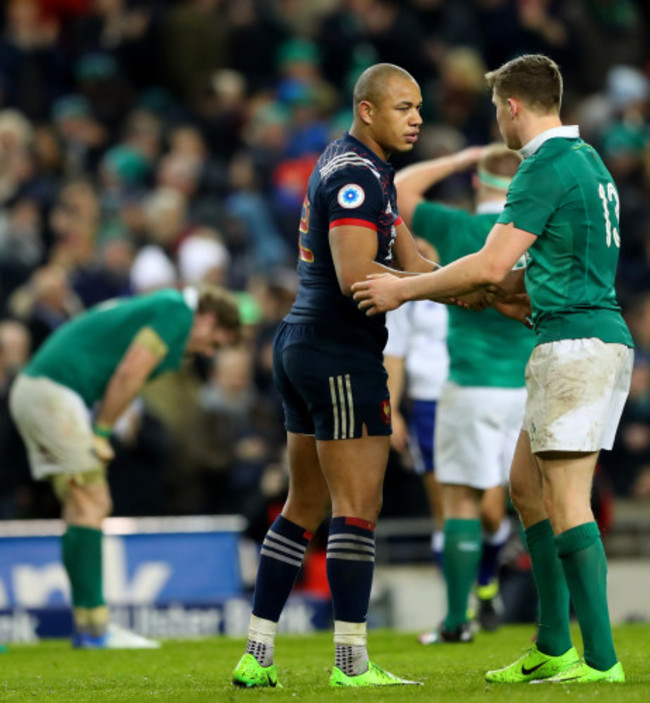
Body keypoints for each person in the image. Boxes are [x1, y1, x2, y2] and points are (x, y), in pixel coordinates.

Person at [353, 54, 634, 684]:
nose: (496, 121)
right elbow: (528, 278)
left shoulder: (543, 164)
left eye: (494, 109)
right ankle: (554, 644)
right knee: (526, 488)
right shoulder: (587, 162)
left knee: (565, 499)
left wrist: (408, 289)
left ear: (511, 107)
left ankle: (600, 661)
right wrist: (487, 292)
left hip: (575, 348)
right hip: (571, 338)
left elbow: (487, 264)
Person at [232, 62, 441, 689]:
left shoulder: (352, 163)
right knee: (358, 507)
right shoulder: (359, 177)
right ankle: (351, 661)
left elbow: (413, 262)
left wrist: (470, 286)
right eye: (404, 107)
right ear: (368, 109)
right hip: (339, 351)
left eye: (420, 107)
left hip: (301, 343)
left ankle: (256, 654)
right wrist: (445, 287)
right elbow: (358, 278)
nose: (418, 119)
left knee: (305, 504)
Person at [9, 285, 241, 649]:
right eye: (213, 340)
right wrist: (102, 430)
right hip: (53, 393)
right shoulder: (176, 312)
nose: (207, 351)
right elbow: (130, 372)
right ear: (207, 318)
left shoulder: (162, 307)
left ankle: (89, 625)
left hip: (41, 391)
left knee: (81, 505)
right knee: (92, 503)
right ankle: (95, 630)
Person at [395, 144, 535, 644]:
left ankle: (458, 622)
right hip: (530, 391)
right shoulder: (537, 234)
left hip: (471, 388)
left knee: (459, 505)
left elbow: (399, 189)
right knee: (543, 507)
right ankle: (560, 629)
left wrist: (459, 158)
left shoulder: (457, 230)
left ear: (477, 184)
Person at [383, 258, 449, 577]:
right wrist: (392, 409)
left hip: (473, 396)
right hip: (427, 404)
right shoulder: (405, 293)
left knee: (490, 510)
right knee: (444, 510)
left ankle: (486, 580)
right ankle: (458, 608)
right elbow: (393, 353)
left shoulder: (467, 275)